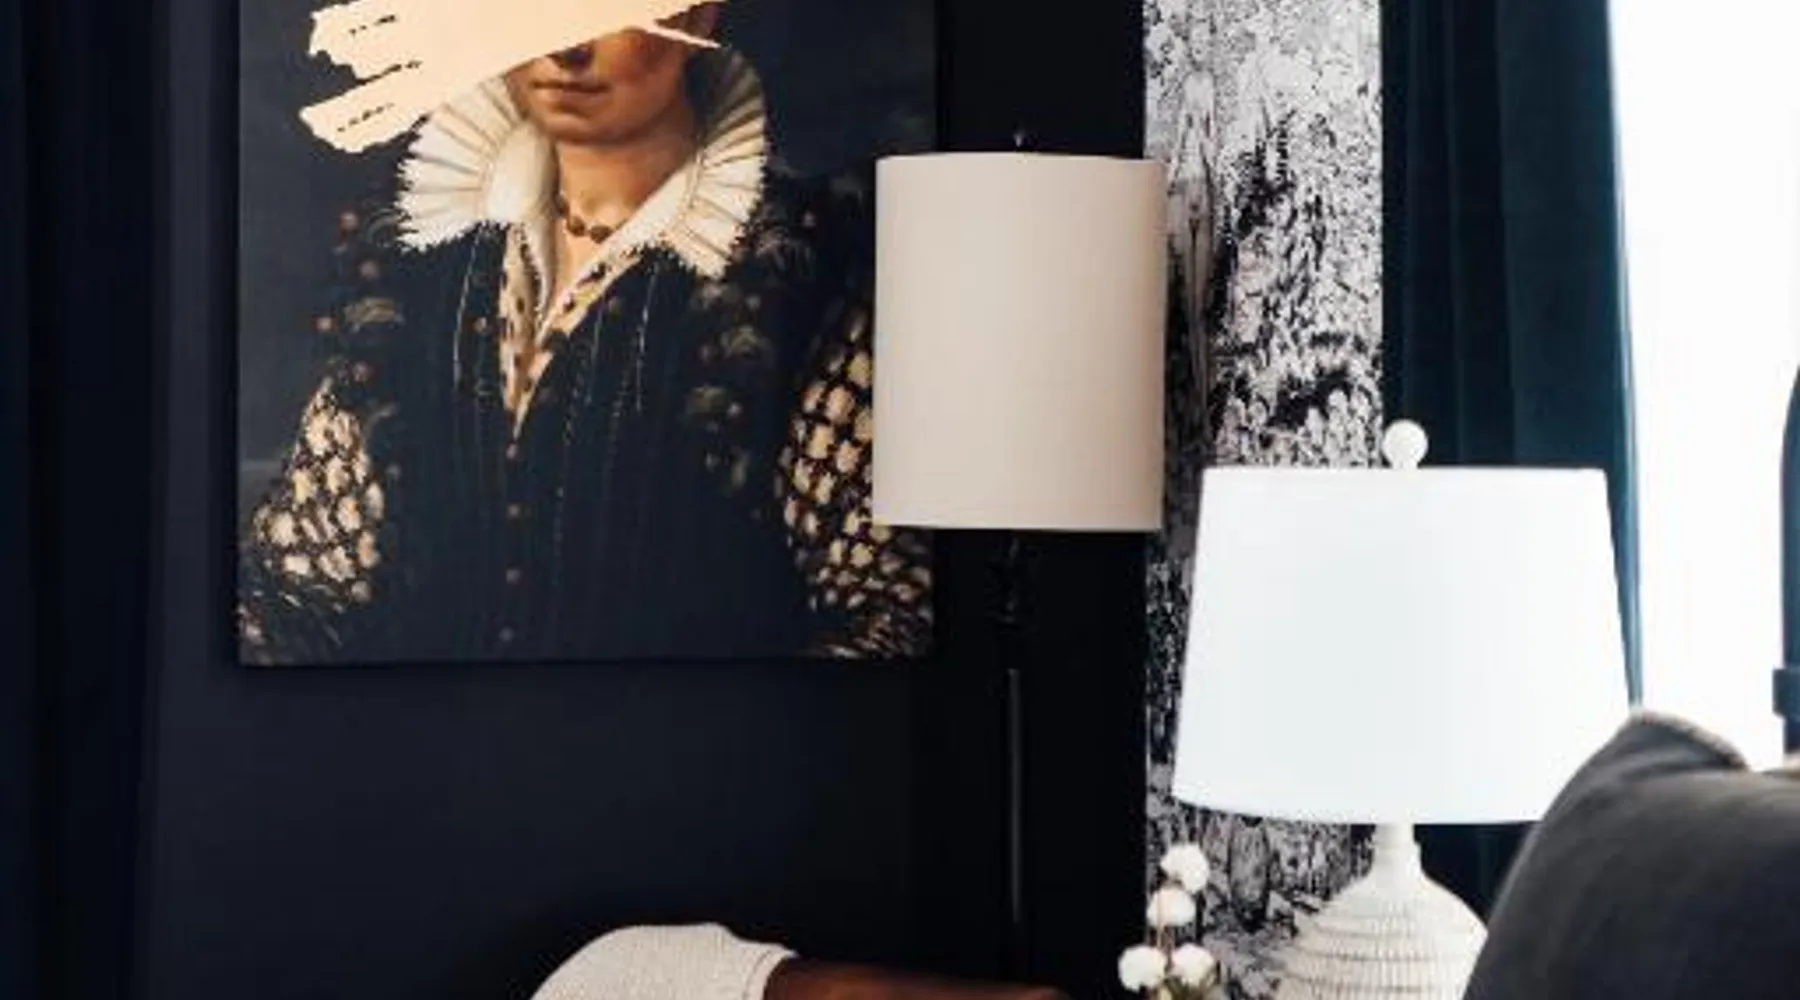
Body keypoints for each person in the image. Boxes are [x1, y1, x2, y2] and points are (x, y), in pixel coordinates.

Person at [237, 4, 932, 664]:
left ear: (699, 14)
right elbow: (300, 585)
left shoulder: (793, 272)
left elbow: (891, 611)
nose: (564, 47)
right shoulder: (420, 261)